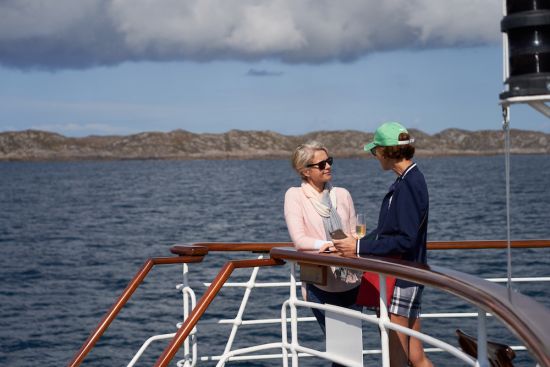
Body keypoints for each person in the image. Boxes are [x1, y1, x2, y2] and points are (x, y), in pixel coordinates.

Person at [331, 122, 433, 367]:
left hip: (401, 276)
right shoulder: (408, 180)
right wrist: (358, 241)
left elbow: (404, 240)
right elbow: (391, 231)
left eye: (374, 150)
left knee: (396, 357)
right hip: (409, 274)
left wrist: (357, 249)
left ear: (387, 152)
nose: (373, 156)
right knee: (415, 356)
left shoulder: (408, 184)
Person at [284, 141, 361, 339]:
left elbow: (354, 234)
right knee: (341, 345)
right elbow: (300, 240)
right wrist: (325, 246)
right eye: (321, 164)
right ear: (305, 171)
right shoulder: (295, 196)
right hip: (321, 284)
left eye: (329, 161)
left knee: (349, 348)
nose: (328, 166)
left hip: (352, 282)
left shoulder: (342, 195)